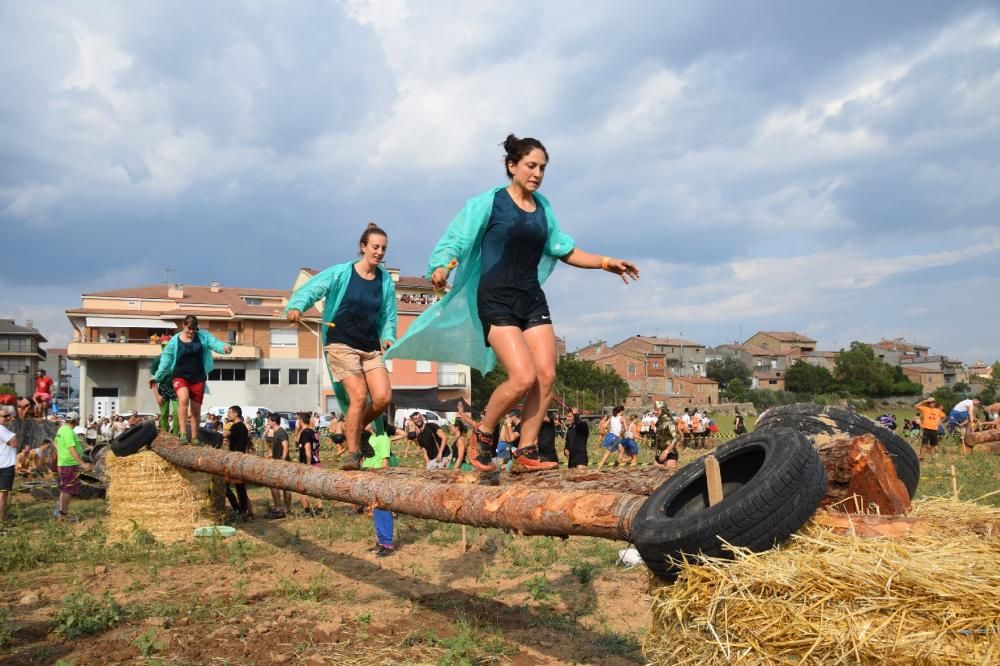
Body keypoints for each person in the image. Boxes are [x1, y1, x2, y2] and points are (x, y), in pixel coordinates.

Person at [386, 134, 638, 477]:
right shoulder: (490, 203)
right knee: (522, 378)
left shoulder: (543, 208)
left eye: (542, 168)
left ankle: (526, 450)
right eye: (531, 166)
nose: (537, 173)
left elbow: (564, 249)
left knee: (547, 375)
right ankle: (483, 434)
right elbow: (456, 238)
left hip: (530, 296)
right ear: (512, 166)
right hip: (496, 297)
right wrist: (442, 265)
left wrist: (606, 262)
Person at [285, 223, 397, 471]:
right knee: (358, 395)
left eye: (383, 248)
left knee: (382, 398)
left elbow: (389, 314)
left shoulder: (385, 281)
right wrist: (297, 306)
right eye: (375, 247)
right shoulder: (342, 272)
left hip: (369, 346)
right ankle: (354, 454)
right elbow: (314, 288)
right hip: (341, 342)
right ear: (363, 247)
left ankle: (353, 428)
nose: (379, 252)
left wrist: (388, 335)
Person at [151, 315, 232, 443]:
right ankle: (182, 434)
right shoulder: (174, 341)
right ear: (183, 325)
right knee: (183, 400)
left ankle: (194, 438)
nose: (191, 331)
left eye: (194, 329)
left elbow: (215, 343)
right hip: (180, 376)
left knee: (195, 409)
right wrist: (157, 376)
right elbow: (166, 359)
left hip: (198, 377)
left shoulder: (202, 336)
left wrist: (224, 348)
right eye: (189, 328)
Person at [362, 431, 395, 557]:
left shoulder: (383, 437)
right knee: (376, 511)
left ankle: (387, 543)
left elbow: (385, 460)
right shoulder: (370, 437)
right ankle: (380, 542)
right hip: (369, 476)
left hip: (379, 477)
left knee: (383, 510)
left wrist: (383, 482)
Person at [54, 413, 90, 520]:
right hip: (68, 464)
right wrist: (82, 464)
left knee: (65, 489)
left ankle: (61, 512)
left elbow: (55, 442)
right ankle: (63, 515)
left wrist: (61, 452)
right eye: (78, 419)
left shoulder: (62, 429)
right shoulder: (69, 432)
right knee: (68, 490)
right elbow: (71, 449)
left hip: (65, 463)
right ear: (75, 421)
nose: (79, 421)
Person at [223, 406, 252, 521]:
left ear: (235, 414)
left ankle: (239, 509)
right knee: (240, 487)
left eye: (229, 413)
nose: (228, 415)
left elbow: (224, 435)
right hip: (239, 459)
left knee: (227, 487)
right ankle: (243, 511)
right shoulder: (242, 427)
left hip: (235, 460)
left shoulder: (236, 426)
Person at [263, 414, 292, 519]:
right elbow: (278, 448)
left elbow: (285, 446)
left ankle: (279, 509)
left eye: (269, 421)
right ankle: (286, 509)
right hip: (278, 462)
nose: (268, 423)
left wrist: (283, 460)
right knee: (284, 487)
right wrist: (270, 455)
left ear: (274, 421)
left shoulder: (281, 432)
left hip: (282, 464)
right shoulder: (275, 433)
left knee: (276, 486)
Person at [296, 414, 323, 516]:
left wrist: (308, 465)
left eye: (298, 419)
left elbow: (307, 449)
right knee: (316, 487)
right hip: (316, 462)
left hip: (308, 464)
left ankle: (307, 511)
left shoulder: (304, 433)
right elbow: (317, 449)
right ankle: (320, 508)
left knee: (301, 488)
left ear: (301, 421)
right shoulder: (314, 432)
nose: (297, 422)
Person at [0, 408, 18, 526]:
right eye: (5, 416)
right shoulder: (2, 429)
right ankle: (1, 520)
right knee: (3, 494)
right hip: (5, 465)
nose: (8, 418)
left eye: (9, 416)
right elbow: (14, 442)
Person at [915, 397, 946, 462]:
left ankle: (933, 459)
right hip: (926, 429)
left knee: (933, 445)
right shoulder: (925, 408)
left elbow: (944, 416)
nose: (931, 403)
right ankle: (921, 458)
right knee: (924, 444)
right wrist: (925, 401)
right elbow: (916, 406)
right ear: (928, 403)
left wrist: (940, 422)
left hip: (934, 430)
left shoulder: (937, 410)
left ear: (935, 403)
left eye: (932, 402)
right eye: (929, 402)